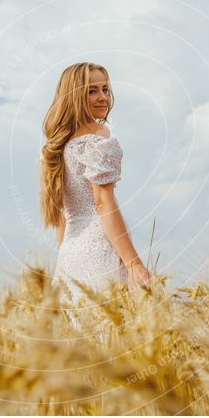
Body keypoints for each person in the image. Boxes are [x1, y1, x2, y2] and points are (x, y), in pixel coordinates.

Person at [39, 61, 152, 307]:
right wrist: (134, 264)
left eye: (105, 89)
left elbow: (62, 218)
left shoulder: (58, 147)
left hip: (70, 258)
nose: (102, 97)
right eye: (91, 91)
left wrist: (64, 260)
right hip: (101, 252)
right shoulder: (97, 136)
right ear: (74, 96)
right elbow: (102, 202)